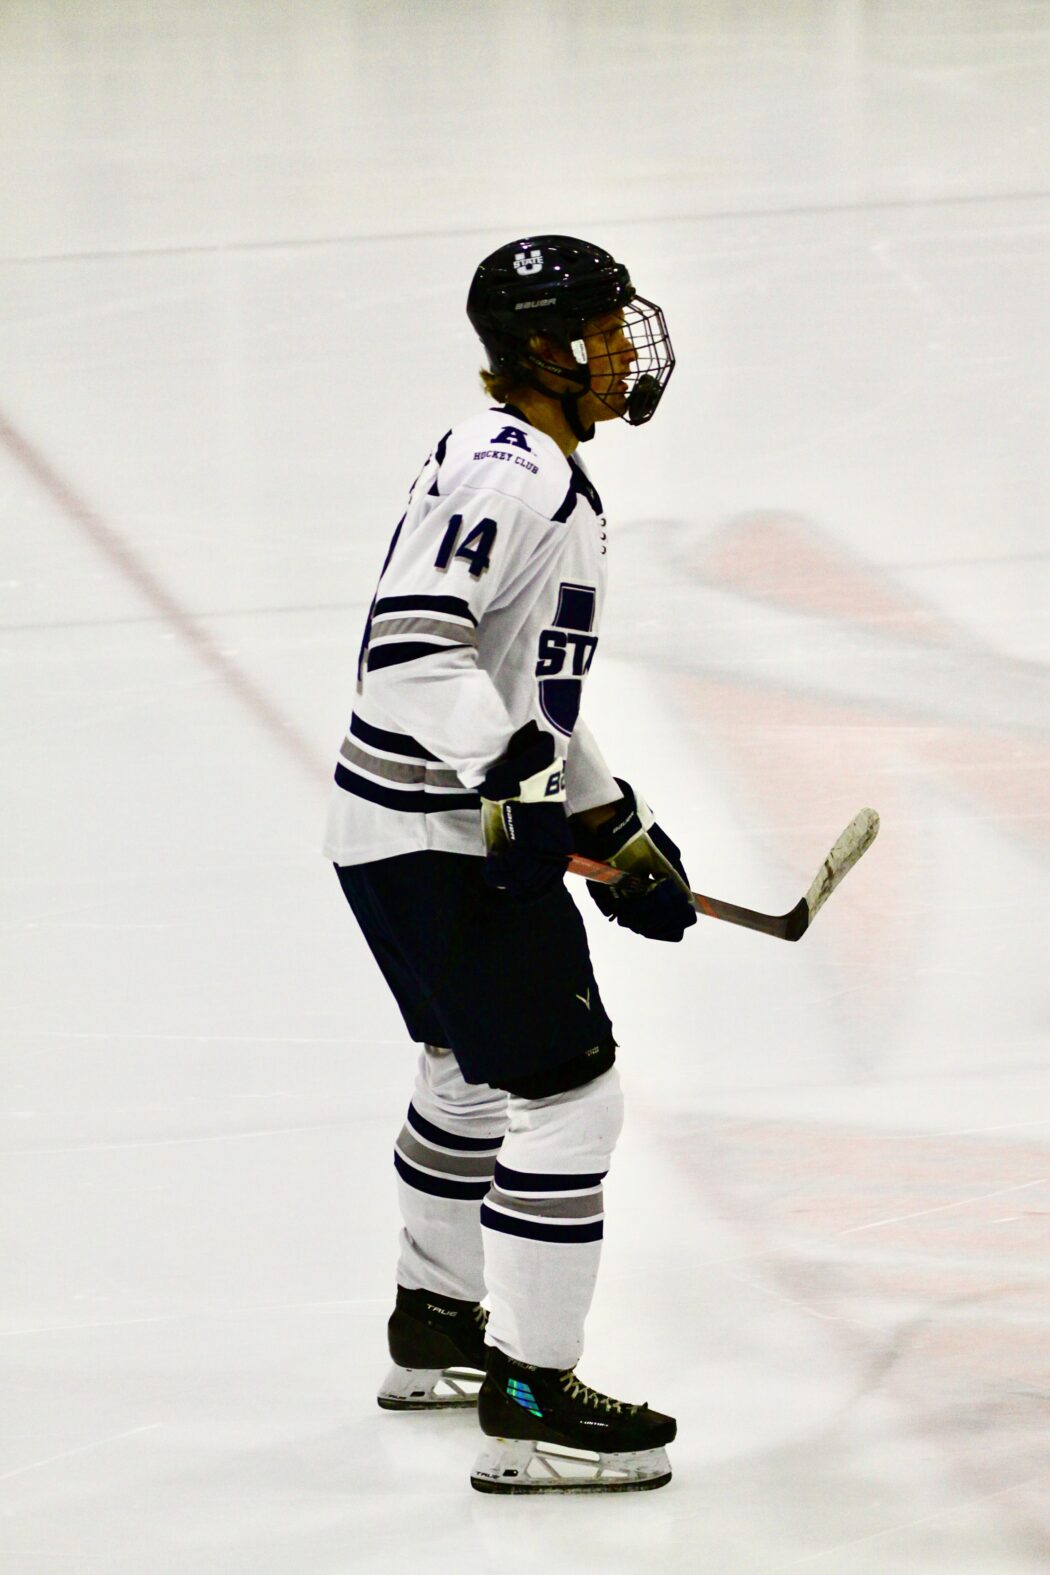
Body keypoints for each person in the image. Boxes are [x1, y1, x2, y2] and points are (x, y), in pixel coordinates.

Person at [324, 235, 697, 1494]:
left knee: (468, 1073)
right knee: (571, 1093)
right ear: (543, 349)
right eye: (602, 329)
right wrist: (514, 786)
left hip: (394, 832)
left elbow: (516, 687)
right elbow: (410, 655)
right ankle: (536, 1400)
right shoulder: (512, 472)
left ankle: (435, 1325)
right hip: (442, 840)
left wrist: (611, 818)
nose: (624, 349)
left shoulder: (522, 463)